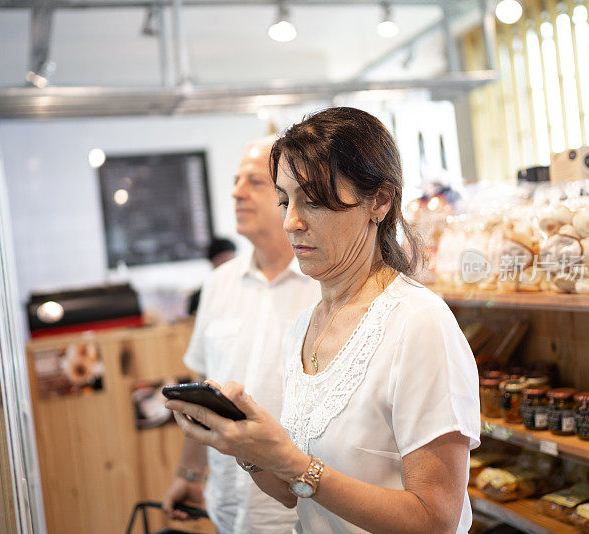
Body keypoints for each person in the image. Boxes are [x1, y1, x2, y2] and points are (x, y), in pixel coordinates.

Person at [166, 107, 480, 534]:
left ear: (380, 201)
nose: (291, 222)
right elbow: (296, 496)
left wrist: (297, 463)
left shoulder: (418, 324)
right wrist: (247, 447)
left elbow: (436, 519)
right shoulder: (304, 326)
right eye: (284, 200)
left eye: (312, 201)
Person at [162, 137, 320, 533]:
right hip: (229, 508)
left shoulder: (322, 285)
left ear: (289, 194)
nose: (235, 192)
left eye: (252, 182)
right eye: (235, 181)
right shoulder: (218, 284)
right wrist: (191, 474)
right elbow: (202, 392)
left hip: (304, 511)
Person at [187, 237, 237, 315]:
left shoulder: (245, 287)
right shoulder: (201, 295)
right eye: (225, 261)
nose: (230, 266)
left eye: (233, 261)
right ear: (213, 262)